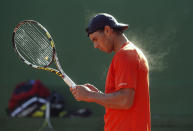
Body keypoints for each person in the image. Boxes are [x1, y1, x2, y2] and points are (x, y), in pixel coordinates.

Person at [70, 13, 151, 131]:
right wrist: (97, 94)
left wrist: (90, 95)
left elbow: (125, 100)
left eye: (95, 39)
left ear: (107, 30)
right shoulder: (131, 53)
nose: (95, 45)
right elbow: (122, 100)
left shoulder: (125, 55)